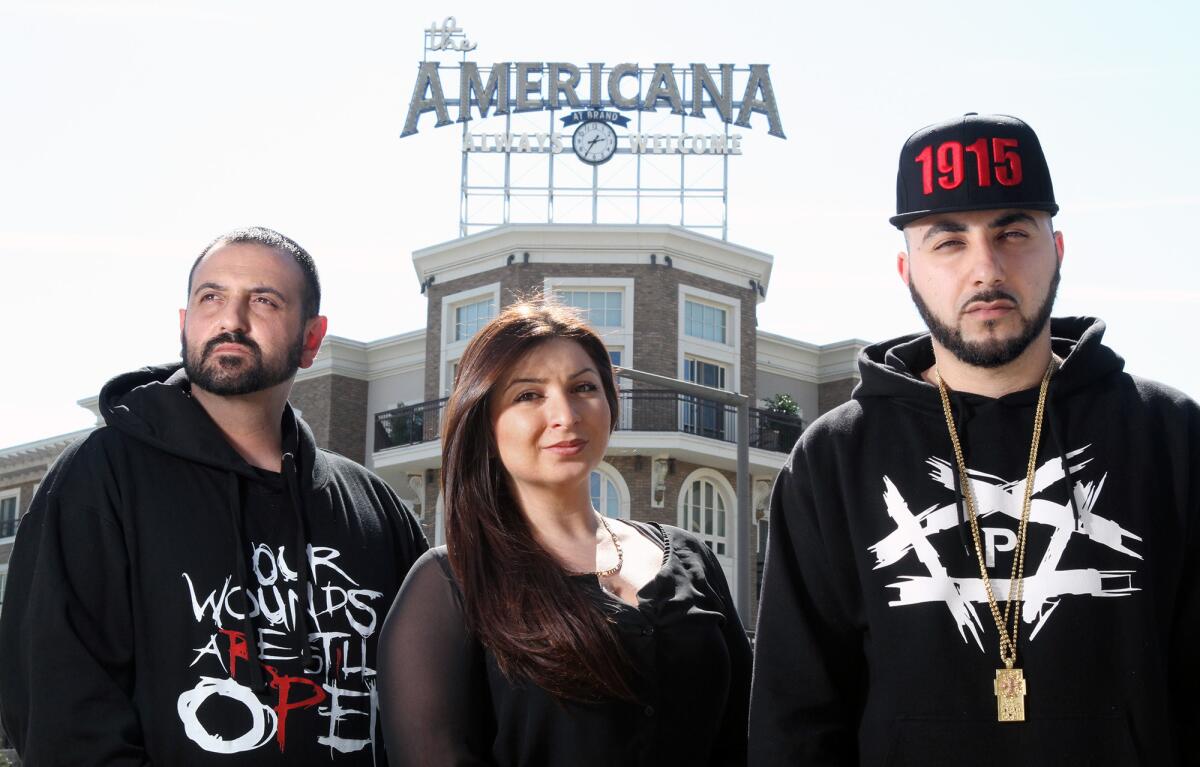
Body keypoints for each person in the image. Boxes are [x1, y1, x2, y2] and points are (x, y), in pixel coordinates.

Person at [749, 114, 1199, 766]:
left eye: (1013, 231)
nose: (985, 268)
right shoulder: (832, 462)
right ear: (907, 268)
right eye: (948, 241)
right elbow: (794, 726)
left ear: (1059, 249)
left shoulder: (1169, 436)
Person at [0, 227, 428, 764]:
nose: (232, 320)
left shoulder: (374, 509)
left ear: (311, 339)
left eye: (264, 301)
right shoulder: (100, 476)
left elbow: (432, 699)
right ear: (184, 323)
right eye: (212, 298)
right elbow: (58, 708)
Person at [377, 300, 751, 766]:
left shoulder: (691, 555)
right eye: (529, 395)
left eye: (584, 387)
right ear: (485, 424)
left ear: (610, 406)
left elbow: (747, 736)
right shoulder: (448, 585)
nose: (566, 414)